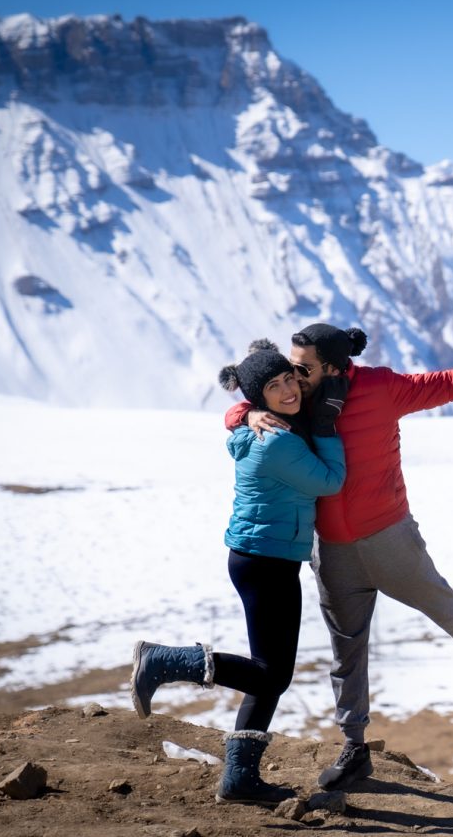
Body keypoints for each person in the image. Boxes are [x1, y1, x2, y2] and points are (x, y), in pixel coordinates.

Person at [225, 323, 453, 791]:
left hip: (390, 535)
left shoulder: (381, 388)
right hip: (331, 550)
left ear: (332, 368)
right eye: (289, 369)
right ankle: (354, 748)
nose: (292, 377)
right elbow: (247, 402)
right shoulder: (296, 400)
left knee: (442, 605)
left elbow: (448, 384)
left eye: (301, 368)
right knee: (345, 651)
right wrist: (243, 416)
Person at [130, 340, 348, 805]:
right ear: (258, 397)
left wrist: (245, 413)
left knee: (268, 674)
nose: (290, 389)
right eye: (275, 386)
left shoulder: (259, 428)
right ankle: (166, 661)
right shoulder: (277, 442)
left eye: (290, 378)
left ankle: (239, 779)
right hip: (266, 560)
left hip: (262, 557)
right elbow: (331, 481)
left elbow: (238, 418)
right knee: (271, 673)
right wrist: (327, 428)